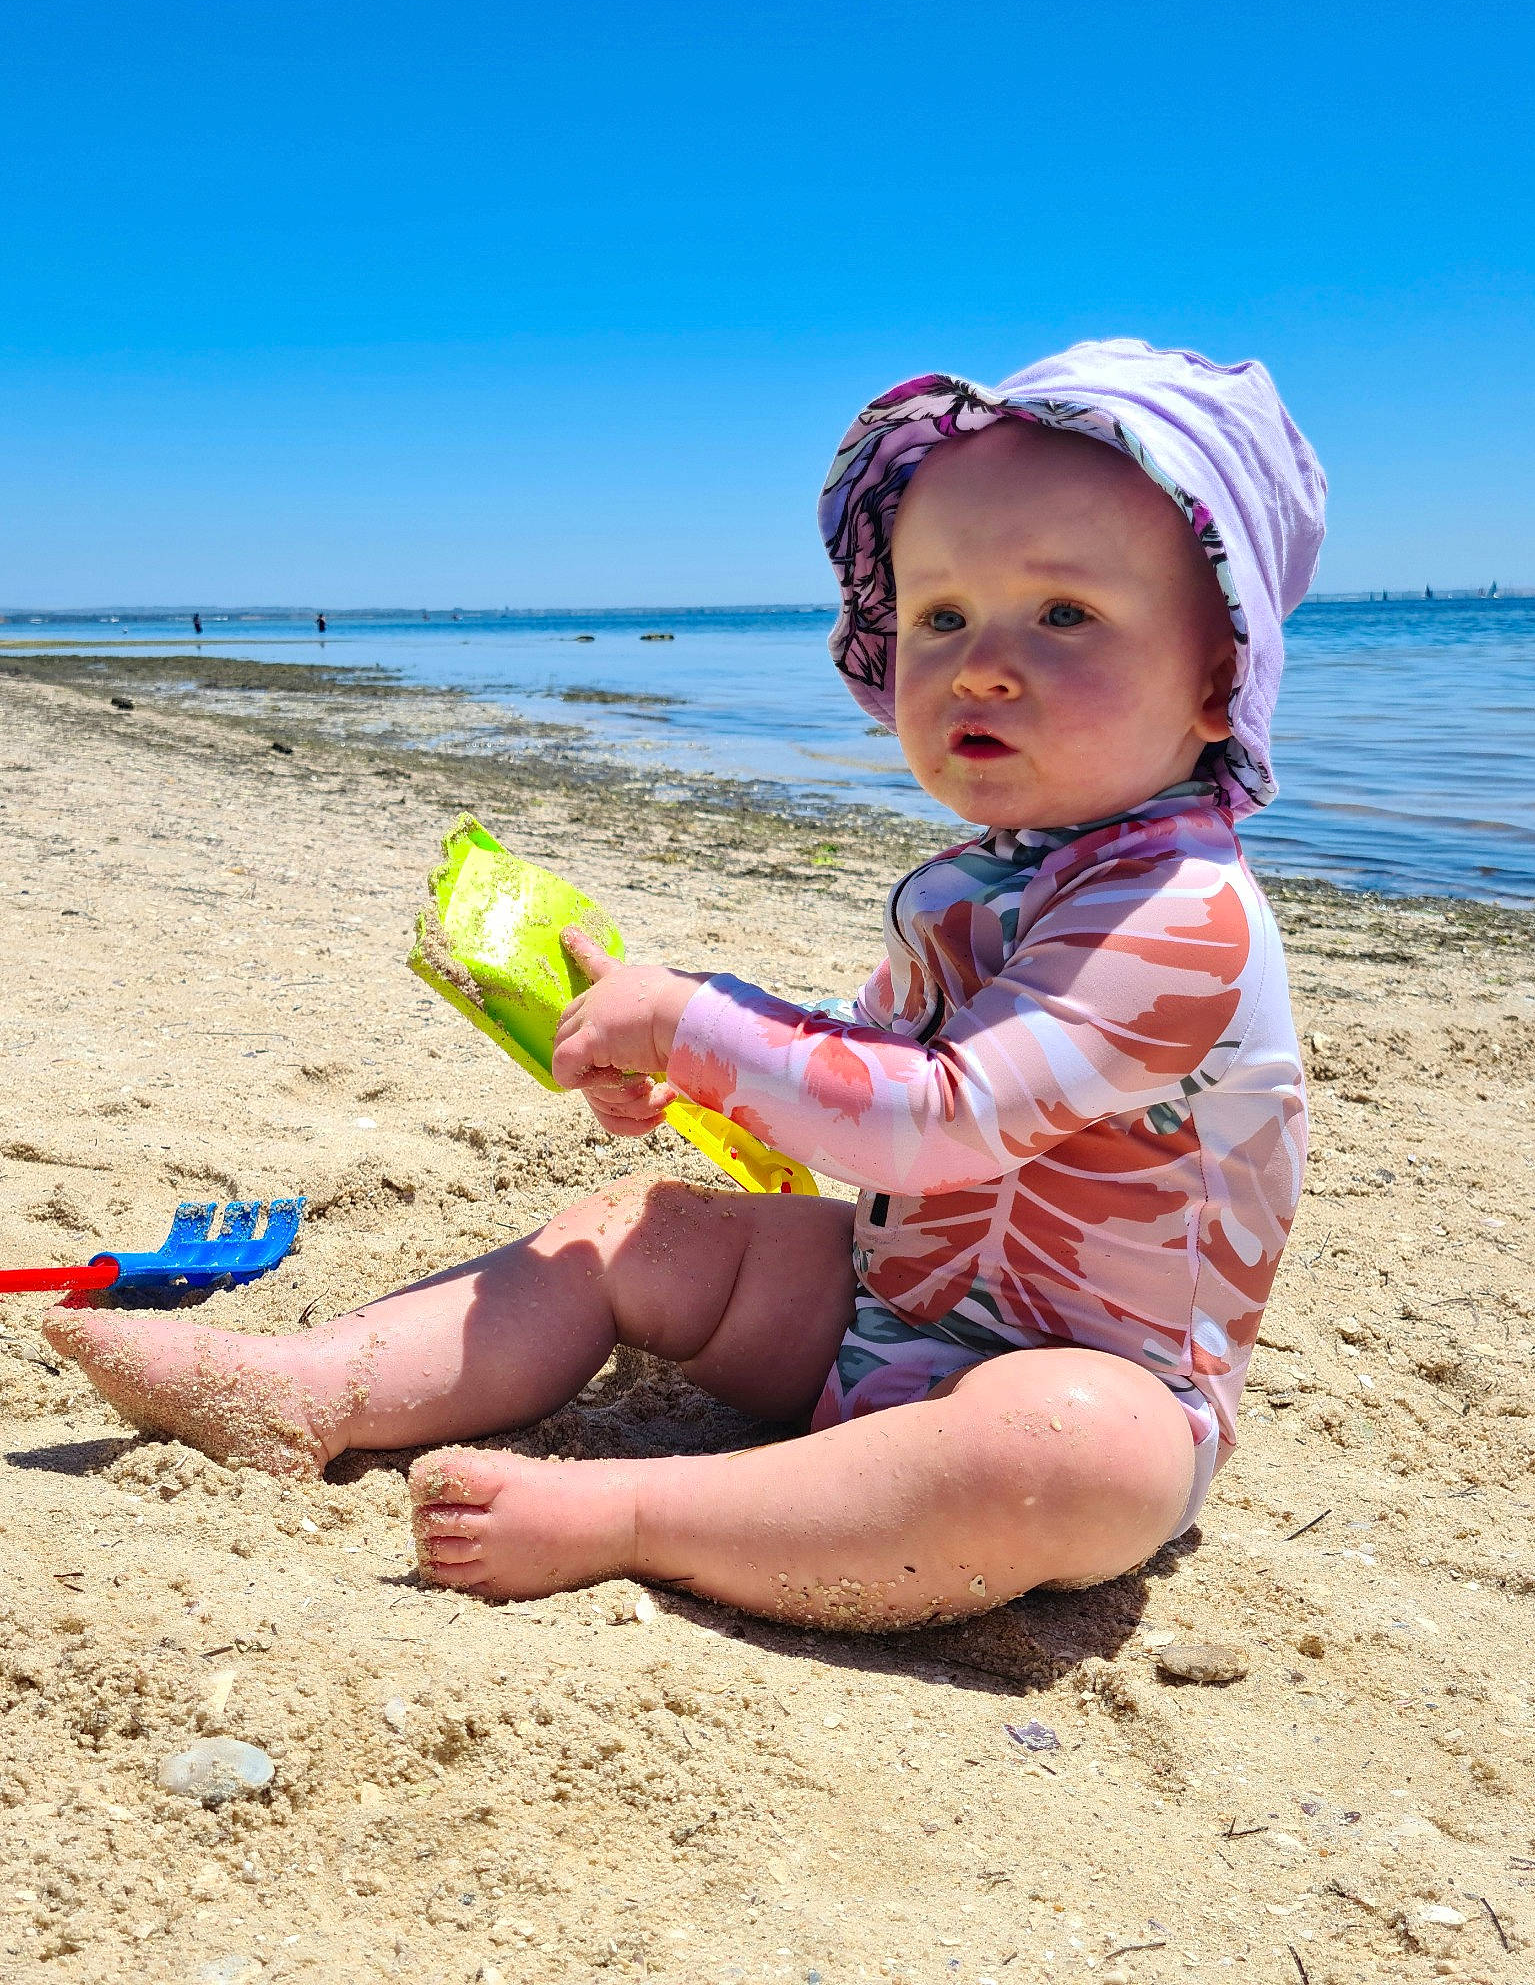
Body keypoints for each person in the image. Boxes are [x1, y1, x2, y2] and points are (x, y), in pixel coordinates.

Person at [45, 340, 1325, 1630]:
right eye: (941, 615)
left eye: (1064, 614)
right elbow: (863, 1076)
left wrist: (699, 1021)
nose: (982, 664)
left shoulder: (1184, 919)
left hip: (1090, 1380)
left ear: (1219, 678)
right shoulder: (980, 884)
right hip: (885, 1305)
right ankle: (314, 1385)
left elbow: (938, 1119)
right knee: (636, 1230)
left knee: (1069, 1452)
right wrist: (704, 1070)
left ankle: (641, 1517)